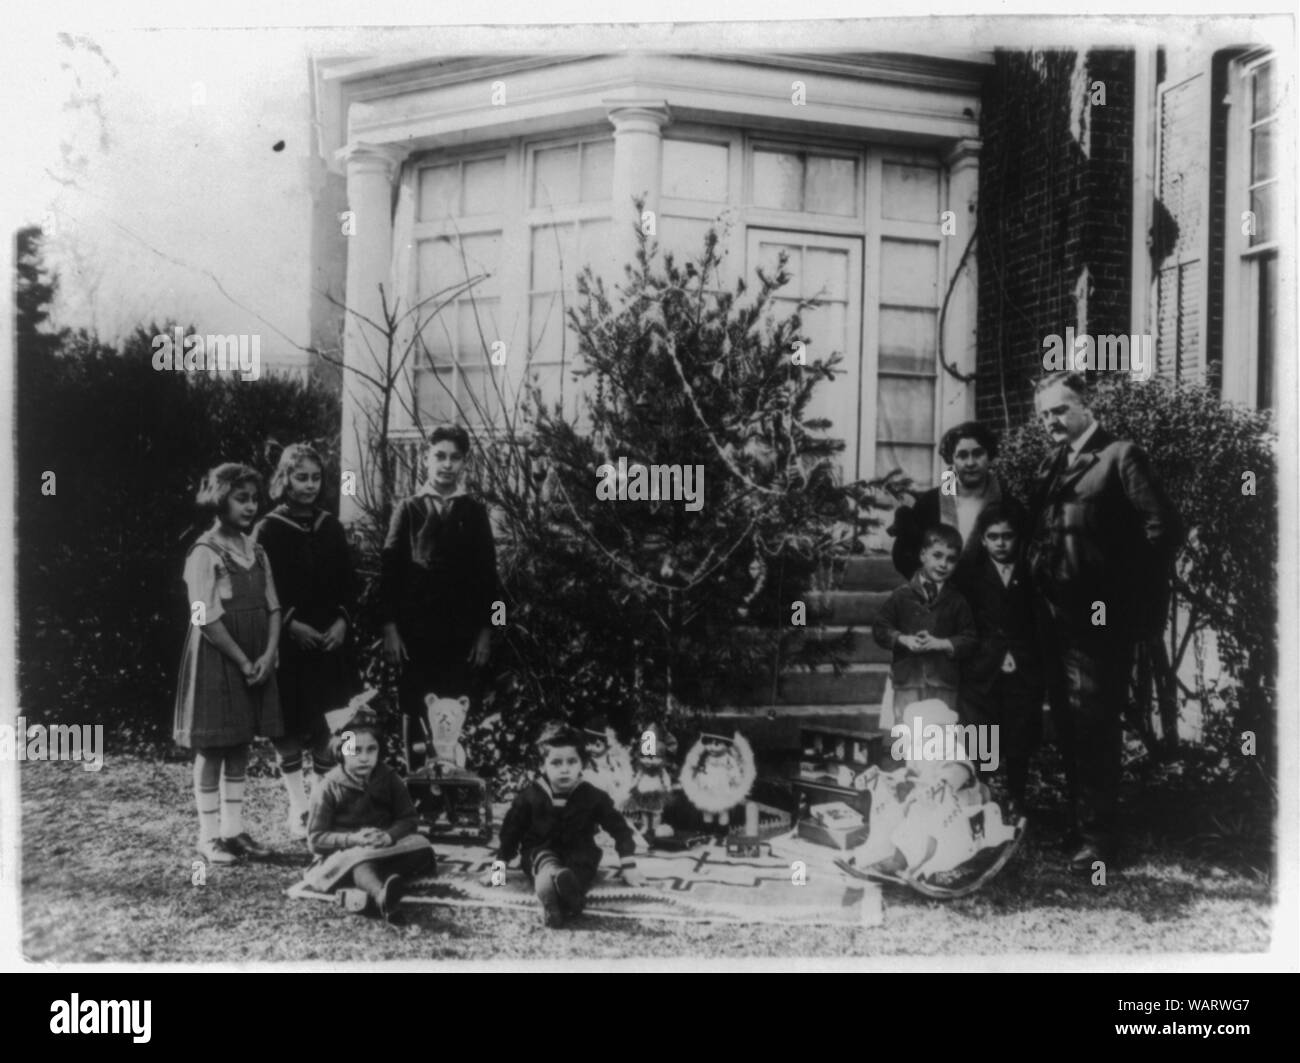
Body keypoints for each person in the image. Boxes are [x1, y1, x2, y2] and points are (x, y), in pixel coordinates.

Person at [1027, 372, 1181, 873]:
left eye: (1061, 410)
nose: (1052, 420)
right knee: (1070, 725)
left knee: (1095, 724)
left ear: (1087, 407)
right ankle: (1078, 823)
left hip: (1098, 622)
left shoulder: (1120, 457)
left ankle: (1100, 839)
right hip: (1053, 617)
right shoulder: (1054, 463)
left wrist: (1119, 597)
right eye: (1045, 413)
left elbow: (1164, 528)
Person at [173, 463, 284, 865]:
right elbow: (204, 616)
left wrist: (268, 654)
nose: (251, 506)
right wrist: (241, 659)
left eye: (255, 498)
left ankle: (234, 831)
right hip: (220, 658)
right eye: (242, 498)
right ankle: (208, 837)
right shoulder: (204, 553)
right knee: (214, 745)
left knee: (240, 743)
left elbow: (274, 606)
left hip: (257, 657)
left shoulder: (257, 550)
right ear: (221, 499)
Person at [254, 443, 362, 839]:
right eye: (301, 477)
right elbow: (263, 588)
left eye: (316, 478)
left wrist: (342, 623)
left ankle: (321, 805)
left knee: (326, 725)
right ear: (285, 479)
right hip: (288, 643)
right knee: (287, 726)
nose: (310, 485)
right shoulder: (268, 529)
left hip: (330, 645)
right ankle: (298, 808)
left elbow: (350, 584)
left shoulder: (330, 526)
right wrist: (290, 624)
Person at [378, 426, 499, 759]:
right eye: (440, 456)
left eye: (455, 458)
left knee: (453, 709)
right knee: (414, 705)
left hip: (460, 635)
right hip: (414, 635)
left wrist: (488, 631)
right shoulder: (408, 509)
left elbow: (491, 579)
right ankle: (417, 787)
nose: (447, 465)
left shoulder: (473, 513)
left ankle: (448, 781)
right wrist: (389, 628)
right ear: (425, 458)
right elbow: (389, 574)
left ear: (465, 463)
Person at [488, 723, 644, 927]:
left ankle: (559, 891)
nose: (564, 769)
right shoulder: (530, 796)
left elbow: (619, 828)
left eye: (571, 762)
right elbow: (510, 833)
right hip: (539, 851)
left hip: (579, 852)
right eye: (556, 763)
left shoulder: (592, 796)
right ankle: (556, 888)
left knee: (579, 868)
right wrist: (498, 870)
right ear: (542, 766)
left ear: (583, 764)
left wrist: (628, 865)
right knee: (541, 856)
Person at [954, 503, 1045, 820]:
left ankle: (1017, 799)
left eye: (1008, 536)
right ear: (982, 540)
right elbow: (963, 624)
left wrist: (1025, 657)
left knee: (1019, 737)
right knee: (982, 737)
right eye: (993, 536)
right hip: (981, 672)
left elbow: (1039, 622)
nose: (1001, 543)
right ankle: (983, 795)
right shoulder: (969, 577)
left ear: (1018, 538)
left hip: (1023, 670)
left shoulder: (1031, 573)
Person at [303, 710, 436, 924]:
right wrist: (353, 840)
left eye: (371, 750)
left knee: (424, 850)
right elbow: (316, 839)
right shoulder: (328, 786)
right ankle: (381, 894)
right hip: (348, 853)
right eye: (355, 750)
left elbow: (409, 819)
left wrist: (389, 836)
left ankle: (377, 883)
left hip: (385, 846)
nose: (364, 758)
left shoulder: (389, 777)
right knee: (361, 864)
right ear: (341, 751)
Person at [872, 524, 978, 762]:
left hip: (943, 682)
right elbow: (880, 628)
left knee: (938, 739)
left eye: (951, 560)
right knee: (907, 736)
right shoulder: (901, 596)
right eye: (937, 556)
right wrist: (903, 639)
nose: (943, 564)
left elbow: (970, 639)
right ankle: (907, 785)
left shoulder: (957, 601)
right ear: (922, 555)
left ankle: (935, 788)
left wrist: (942, 643)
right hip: (908, 681)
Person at [890, 421, 1025, 581]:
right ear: (951, 458)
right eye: (962, 455)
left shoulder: (1008, 506)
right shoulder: (929, 503)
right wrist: (928, 586)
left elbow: (1021, 560)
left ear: (989, 456)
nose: (970, 463)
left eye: (978, 453)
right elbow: (903, 555)